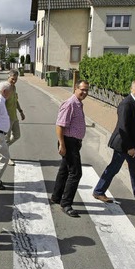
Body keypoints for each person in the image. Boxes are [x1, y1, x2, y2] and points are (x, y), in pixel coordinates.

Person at [93, 80, 135, 202]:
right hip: (124, 145)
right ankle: (99, 191)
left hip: (132, 145)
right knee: (114, 168)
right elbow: (123, 127)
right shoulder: (126, 104)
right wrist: (129, 147)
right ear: (131, 88)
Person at [50, 80, 89, 218]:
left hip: (73, 142)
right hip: (68, 142)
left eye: (86, 90)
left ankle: (56, 196)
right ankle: (66, 203)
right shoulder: (70, 104)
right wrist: (62, 144)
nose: (84, 92)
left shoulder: (78, 103)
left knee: (64, 170)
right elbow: (60, 125)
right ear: (75, 88)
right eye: (82, 89)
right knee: (75, 173)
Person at [4, 69, 26, 166]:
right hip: (6, 118)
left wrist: (21, 111)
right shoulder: (5, 88)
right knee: (6, 138)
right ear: (8, 77)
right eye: (13, 79)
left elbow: (16, 101)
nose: (14, 81)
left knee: (17, 135)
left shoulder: (14, 87)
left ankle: (3, 148)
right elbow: (1, 103)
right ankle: (7, 157)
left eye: (16, 79)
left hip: (14, 116)